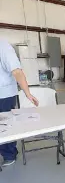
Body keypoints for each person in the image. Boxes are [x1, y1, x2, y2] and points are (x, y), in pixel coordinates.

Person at [0, 39, 39, 167]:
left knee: (6, 126)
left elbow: (17, 71)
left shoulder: (3, 46)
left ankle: (9, 154)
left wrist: (27, 93)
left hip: (4, 95)